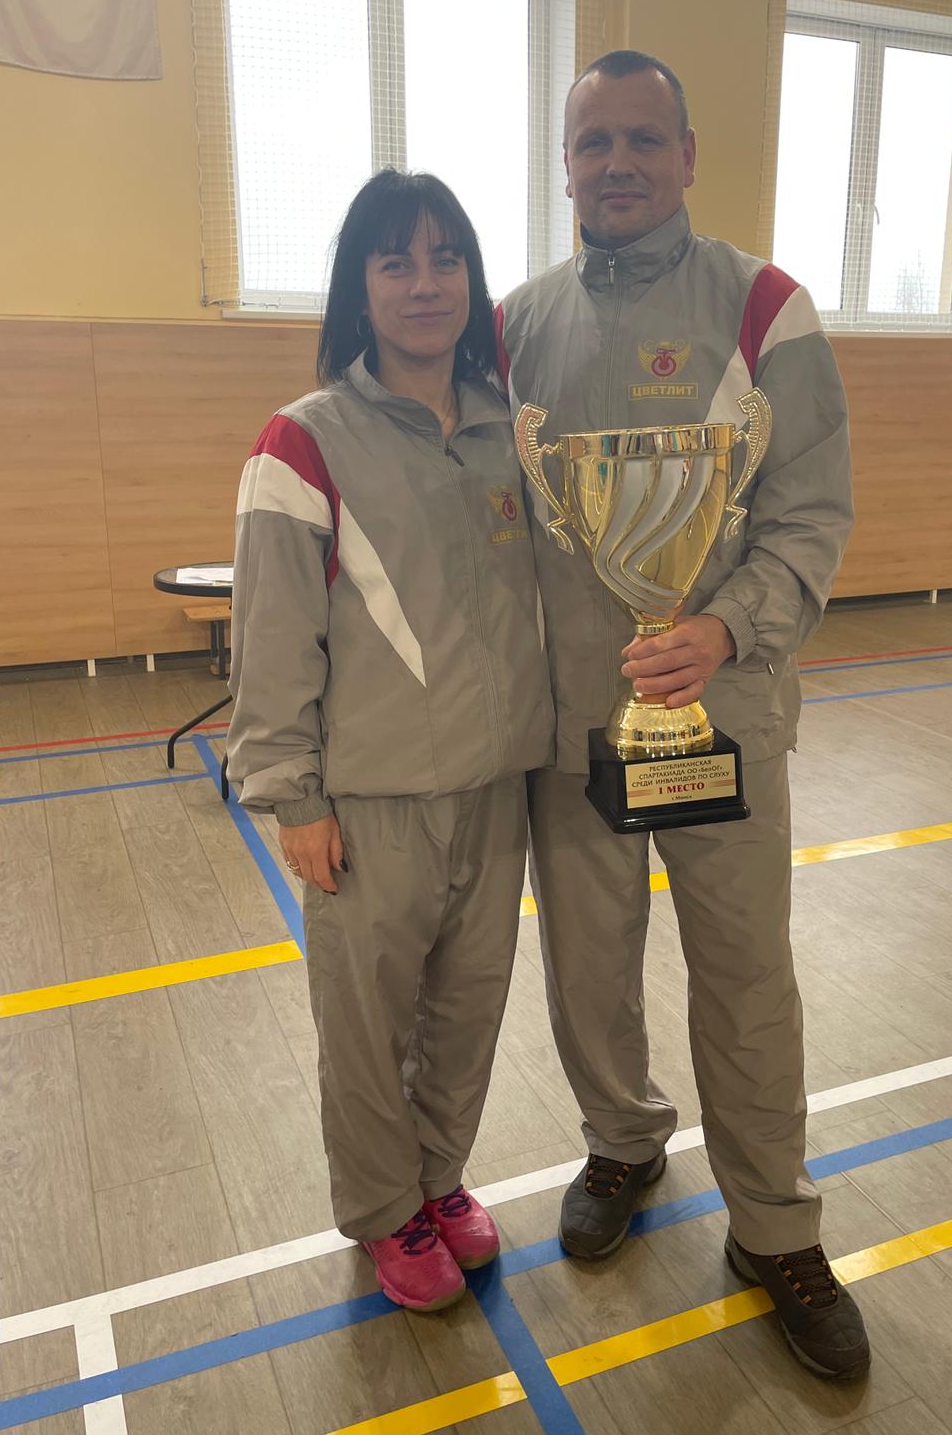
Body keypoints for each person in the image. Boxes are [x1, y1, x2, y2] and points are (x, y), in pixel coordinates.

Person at [496, 51, 870, 1378]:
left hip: (728, 715)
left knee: (748, 973)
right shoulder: (511, 327)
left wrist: (724, 629)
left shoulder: (768, 309)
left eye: (644, 139)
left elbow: (811, 515)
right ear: (565, 164)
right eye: (593, 141)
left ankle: (775, 1226)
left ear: (690, 155)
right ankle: (623, 1143)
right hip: (575, 733)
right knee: (587, 966)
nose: (618, 164)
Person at [226, 169, 554, 1313]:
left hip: (497, 787)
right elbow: (274, 636)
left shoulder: (513, 433)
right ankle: (383, 1207)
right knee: (367, 1025)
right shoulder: (302, 441)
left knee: (467, 1009)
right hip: (370, 801)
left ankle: (440, 1177)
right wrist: (294, 795)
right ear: (358, 288)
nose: (426, 284)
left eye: (446, 258)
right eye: (396, 261)